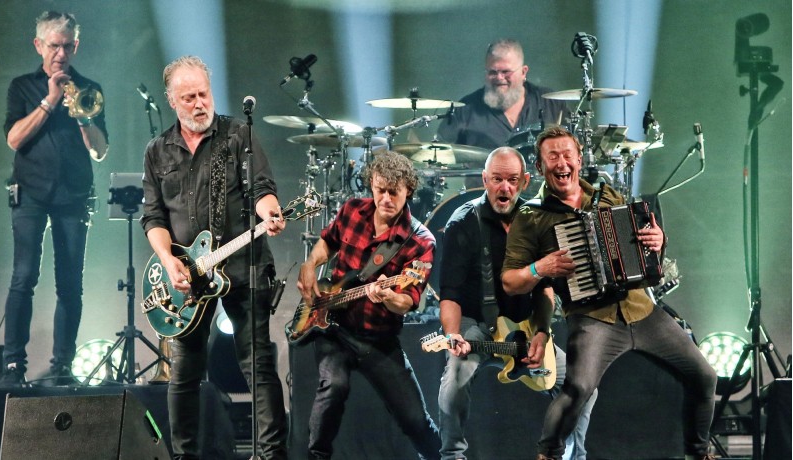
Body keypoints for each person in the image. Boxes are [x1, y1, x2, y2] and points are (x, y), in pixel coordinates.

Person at [501, 126, 717, 460]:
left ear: (579, 159)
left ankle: (698, 454)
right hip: (592, 317)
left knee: (705, 376)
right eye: (552, 157)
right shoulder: (531, 216)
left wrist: (658, 242)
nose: (562, 163)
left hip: (640, 308)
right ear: (541, 167)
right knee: (578, 389)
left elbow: (643, 251)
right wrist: (539, 268)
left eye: (567, 155)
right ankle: (548, 454)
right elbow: (510, 281)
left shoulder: (607, 196)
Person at [141, 55, 288, 460]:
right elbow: (153, 217)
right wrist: (168, 260)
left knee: (257, 365)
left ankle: (271, 455)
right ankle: (184, 455)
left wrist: (270, 212)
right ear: (172, 101)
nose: (199, 103)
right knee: (184, 371)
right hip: (187, 276)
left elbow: (261, 189)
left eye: (204, 94)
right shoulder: (157, 151)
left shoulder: (238, 135)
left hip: (241, 264)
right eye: (189, 97)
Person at [436, 147, 595, 460]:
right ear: (485, 180)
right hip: (475, 325)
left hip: (524, 328)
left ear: (525, 181)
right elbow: (450, 293)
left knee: (584, 387)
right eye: (497, 179)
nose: (504, 188)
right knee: (454, 381)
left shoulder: (537, 218)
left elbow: (545, 289)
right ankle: (452, 456)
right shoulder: (463, 222)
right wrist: (453, 334)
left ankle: (571, 456)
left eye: (512, 180)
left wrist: (542, 333)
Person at [296, 151, 442, 460]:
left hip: (379, 339)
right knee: (333, 387)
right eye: (380, 190)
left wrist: (389, 297)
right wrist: (310, 264)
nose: (385, 199)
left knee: (415, 419)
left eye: (394, 192)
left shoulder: (420, 241)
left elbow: (407, 302)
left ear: (408, 190)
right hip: (334, 329)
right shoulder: (352, 210)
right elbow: (328, 242)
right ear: (372, 185)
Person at [0, 11, 109, 387]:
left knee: (70, 284)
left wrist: (83, 117)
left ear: (76, 46)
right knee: (23, 277)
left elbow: (100, 151)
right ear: (38, 45)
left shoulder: (90, 89)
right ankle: (13, 365)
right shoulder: (21, 87)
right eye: (53, 46)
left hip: (73, 195)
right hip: (30, 192)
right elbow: (14, 139)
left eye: (67, 46)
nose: (60, 54)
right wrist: (49, 100)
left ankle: (63, 365)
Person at [436, 38, 568, 152]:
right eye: (492, 72)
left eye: (506, 72)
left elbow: (573, 146)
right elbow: (439, 153)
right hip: (483, 175)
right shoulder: (464, 110)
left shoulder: (551, 102)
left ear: (523, 72)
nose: (499, 77)